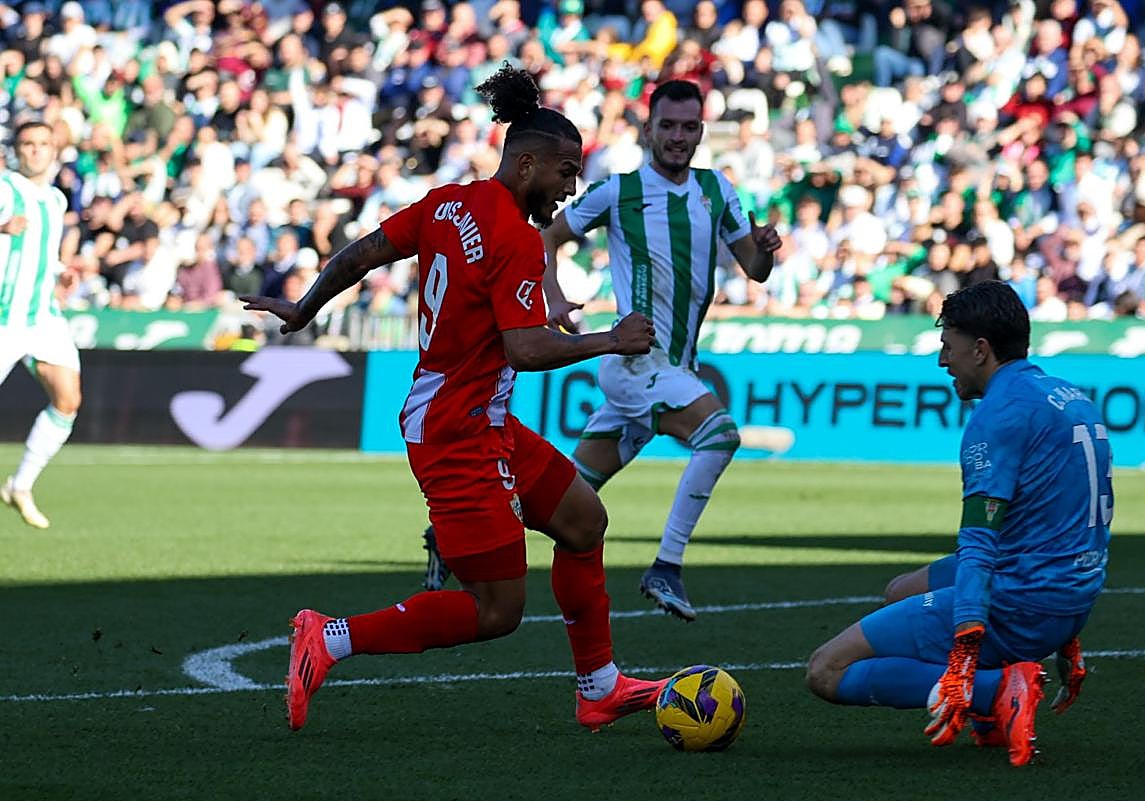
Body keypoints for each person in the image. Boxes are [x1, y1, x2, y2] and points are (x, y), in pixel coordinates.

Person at [241, 63, 666, 733]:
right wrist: (611, 340)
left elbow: (362, 254)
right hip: (458, 431)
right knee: (497, 611)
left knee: (583, 522)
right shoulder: (517, 238)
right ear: (526, 165)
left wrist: (304, 307)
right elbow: (525, 350)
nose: (570, 187)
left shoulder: (446, 204)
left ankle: (600, 687)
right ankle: (331, 636)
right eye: (565, 171)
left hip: (474, 416)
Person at [805, 281, 1110, 767]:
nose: (942, 361)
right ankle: (998, 701)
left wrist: (965, 653)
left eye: (948, 346)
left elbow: (979, 542)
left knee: (826, 669)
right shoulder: (1068, 395)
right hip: (1069, 593)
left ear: (981, 350)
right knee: (899, 590)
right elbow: (1076, 523)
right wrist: (1067, 633)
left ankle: (997, 693)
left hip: (1022, 599)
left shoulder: (997, 416)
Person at [539, 78, 781, 621]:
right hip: (637, 363)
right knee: (720, 436)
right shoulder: (618, 191)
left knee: (569, 494)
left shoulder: (717, 189)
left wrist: (765, 250)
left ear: (701, 131)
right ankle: (667, 567)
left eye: (688, 127)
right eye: (667, 126)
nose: (678, 136)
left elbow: (755, 270)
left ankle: (456, 534)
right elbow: (546, 237)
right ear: (648, 129)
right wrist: (552, 294)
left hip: (675, 366)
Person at [0, 121, 81, 530]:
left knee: (68, 399)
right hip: (3, 317)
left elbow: (42, 253)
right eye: (28, 144)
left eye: (43, 144)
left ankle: (20, 484)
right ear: (16, 150)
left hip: (42, 316)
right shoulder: (4, 189)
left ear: (54, 151)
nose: (35, 151)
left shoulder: (54, 200)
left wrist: (61, 273)